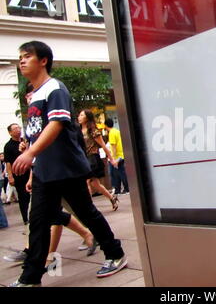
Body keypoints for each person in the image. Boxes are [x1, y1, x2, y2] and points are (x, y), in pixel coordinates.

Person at [9, 40, 126, 287]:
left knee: (86, 213)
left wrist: (30, 154)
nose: (21, 61)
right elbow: (36, 134)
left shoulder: (55, 89)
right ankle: (30, 279)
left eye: (27, 56)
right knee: (38, 223)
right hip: (44, 171)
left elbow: (57, 124)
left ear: (43, 60)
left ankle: (115, 254)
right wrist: (31, 161)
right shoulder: (34, 95)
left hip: (66, 168)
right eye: (20, 57)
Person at [78, 110, 119, 211]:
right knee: (95, 184)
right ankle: (112, 198)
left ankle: (88, 208)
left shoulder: (93, 131)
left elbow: (104, 146)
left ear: (87, 118)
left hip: (93, 159)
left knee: (86, 182)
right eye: (79, 115)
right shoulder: (77, 131)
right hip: (84, 159)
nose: (79, 117)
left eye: (82, 115)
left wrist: (111, 159)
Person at [3, 123, 31, 224]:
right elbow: (8, 163)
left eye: (19, 128)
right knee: (23, 196)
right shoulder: (8, 146)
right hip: (19, 175)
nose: (18, 130)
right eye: (15, 129)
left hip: (29, 173)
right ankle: (25, 218)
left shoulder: (25, 142)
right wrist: (10, 177)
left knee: (32, 195)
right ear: (10, 132)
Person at [104, 118, 129, 195]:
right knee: (120, 173)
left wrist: (113, 159)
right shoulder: (117, 131)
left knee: (115, 173)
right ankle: (121, 189)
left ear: (105, 125)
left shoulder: (111, 133)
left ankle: (123, 189)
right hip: (121, 155)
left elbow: (113, 147)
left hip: (117, 156)